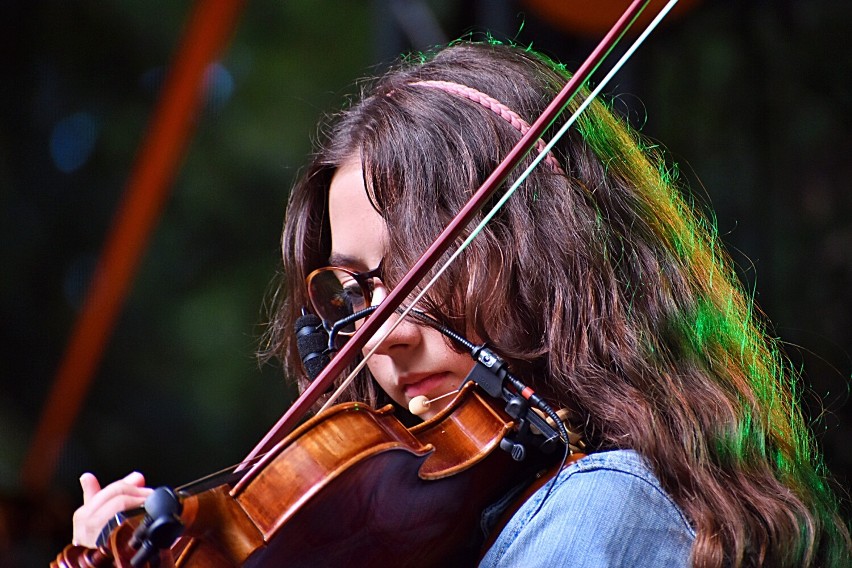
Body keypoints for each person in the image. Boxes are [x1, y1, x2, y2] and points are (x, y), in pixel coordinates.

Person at [69, 41, 849, 566]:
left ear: (552, 255)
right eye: (357, 289)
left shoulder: (606, 507)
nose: (383, 334)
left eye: (423, 264)